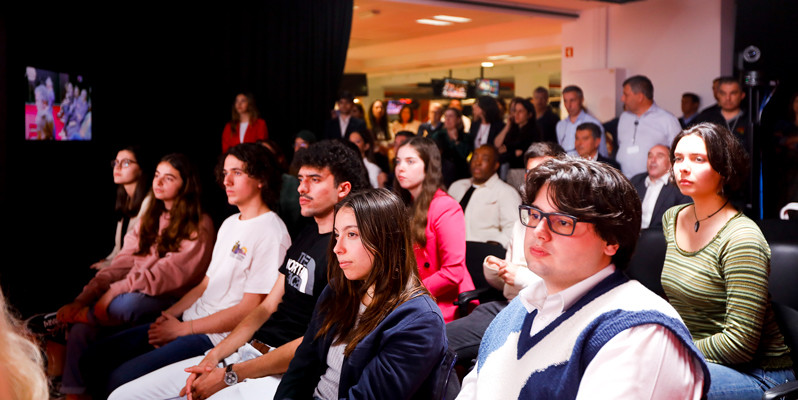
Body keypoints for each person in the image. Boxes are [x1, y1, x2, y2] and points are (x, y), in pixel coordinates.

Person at [106, 140, 369, 400]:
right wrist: (214, 358)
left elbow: (313, 343)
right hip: (245, 353)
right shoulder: (306, 233)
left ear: (343, 188)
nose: (301, 187)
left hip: (278, 372)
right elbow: (265, 308)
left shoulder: (345, 251)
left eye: (314, 179)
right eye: (300, 179)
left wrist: (232, 373)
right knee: (122, 395)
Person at [457, 157, 710, 399]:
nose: (539, 231)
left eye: (562, 222)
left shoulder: (640, 331)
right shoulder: (521, 307)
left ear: (611, 240)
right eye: (535, 215)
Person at [85, 144, 291, 398]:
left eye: (236, 172)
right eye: (224, 172)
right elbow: (205, 284)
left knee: (118, 381)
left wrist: (183, 329)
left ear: (261, 178)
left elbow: (249, 309)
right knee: (95, 356)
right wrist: (167, 317)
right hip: (187, 323)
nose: (226, 180)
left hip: (213, 338)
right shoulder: (229, 223)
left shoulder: (272, 232)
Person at [56, 153, 215, 398]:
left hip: (169, 300)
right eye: (156, 176)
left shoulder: (199, 224)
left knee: (127, 303)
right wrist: (85, 298)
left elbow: (164, 277)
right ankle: (74, 395)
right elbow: (123, 261)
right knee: (80, 331)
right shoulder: (152, 216)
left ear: (185, 184)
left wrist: (112, 293)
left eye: (169, 178)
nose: (158, 183)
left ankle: (89, 315)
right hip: (133, 290)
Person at [662, 123, 794, 399]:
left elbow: (739, 344)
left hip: (759, 372)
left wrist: (671, 351)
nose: (683, 167)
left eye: (698, 159)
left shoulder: (741, 238)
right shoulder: (672, 218)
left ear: (725, 168)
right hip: (698, 356)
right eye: (678, 158)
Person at [275, 189, 447, 399]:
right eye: (337, 235)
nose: (338, 248)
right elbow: (301, 368)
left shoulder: (420, 321)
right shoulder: (338, 289)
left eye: (352, 234)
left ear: (386, 239)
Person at [446, 142, 564, 368]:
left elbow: (565, 289)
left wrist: (519, 277)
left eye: (544, 172)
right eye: (530, 173)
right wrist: (496, 270)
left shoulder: (564, 224)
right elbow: (505, 286)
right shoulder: (525, 218)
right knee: (431, 341)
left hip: (541, 312)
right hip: (507, 304)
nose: (535, 179)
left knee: (483, 362)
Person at [394, 137, 475, 323]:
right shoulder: (406, 205)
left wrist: (408, 293)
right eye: (398, 161)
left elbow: (453, 272)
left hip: (442, 304)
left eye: (410, 161)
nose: (401, 168)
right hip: (413, 298)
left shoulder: (446, 207)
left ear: (428, 166)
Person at [448, 145, 521, 248]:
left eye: (485, 159)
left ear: (496, 165)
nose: (478, 163)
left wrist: (494, 245)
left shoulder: (506, 192)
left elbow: (514, 228)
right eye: (475, 157)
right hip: (451, 249)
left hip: (483, 252)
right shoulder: (457, 186)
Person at [94, 146, 152, 270]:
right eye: (116, 162)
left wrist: (109, 265)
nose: (117, 167)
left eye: (126, 163)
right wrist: (110, 258)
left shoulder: (149, 202)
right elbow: (119, 246)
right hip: (120, 264)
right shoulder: (125, 199)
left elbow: (138, 250)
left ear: (141, 169)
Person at [616, 75, 682, 178]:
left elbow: (679, 153)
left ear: (640, 97)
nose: (622, 99)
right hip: (623, 182)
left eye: (626, 95)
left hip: (652, 185)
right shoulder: (624, 117)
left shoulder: (667, 119)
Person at [631, 144, 691, 230]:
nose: (653, 160)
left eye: (659, 156)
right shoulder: (636, 181)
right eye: (650, 156)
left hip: (662, 240)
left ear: (670, 163)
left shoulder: (680, 186)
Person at [499, 98, 540, 188]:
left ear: (529, 114)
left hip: (524, 173)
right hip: (509, 172)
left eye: (520, 111)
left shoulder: (534, 132)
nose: (516, 114)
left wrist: (509, 151)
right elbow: (500, 152)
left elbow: (523, 154)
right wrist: (513, 152)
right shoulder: (512, 131)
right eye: (515, 111)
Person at [556, 85, 608, 157]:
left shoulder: (594, 123)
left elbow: (603, 153)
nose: (568, 105)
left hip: (587, 166)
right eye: (565, 101)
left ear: (581, 100)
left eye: (572, 100)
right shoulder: (560, 125)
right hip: (566, 166)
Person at [430, 107, 471, 187]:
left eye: (451, 116)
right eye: (446, 116)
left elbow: (465, 154)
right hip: (442, 173)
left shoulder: (465, 136)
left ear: (458, 119)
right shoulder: (437, 135)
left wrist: (455, 141)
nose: (448, 119)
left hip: (461, 173)